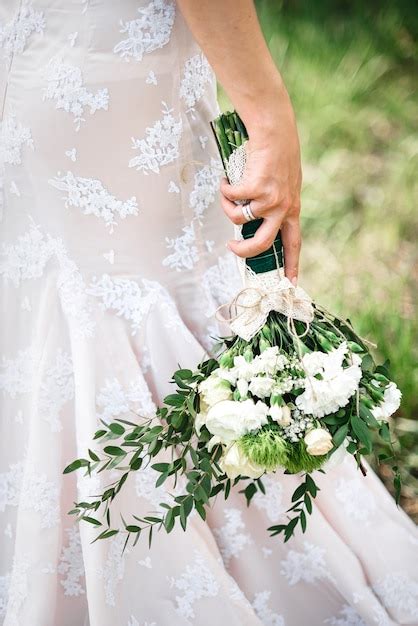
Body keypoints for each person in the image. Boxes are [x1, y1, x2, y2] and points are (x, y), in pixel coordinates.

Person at [0, 1, 417, 625]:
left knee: (79, 306)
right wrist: (269, 114)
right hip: (113, 73)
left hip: (35, 51)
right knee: (131, 300)